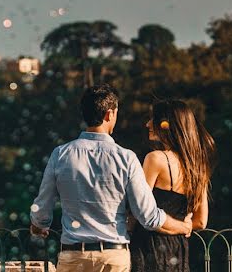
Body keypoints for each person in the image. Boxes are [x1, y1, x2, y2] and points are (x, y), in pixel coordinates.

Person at [30, 85, 192, 272]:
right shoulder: (126, 158)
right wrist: (182, 227)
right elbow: (148, 215)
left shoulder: (60, 154)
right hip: (113, 257)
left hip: (74, 256)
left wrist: (39, 225)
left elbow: (42, 206)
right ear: (109, 114)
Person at [129, 99, 215, 272]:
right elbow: (201, 221)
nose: (147, 124)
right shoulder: (198, 167)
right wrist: (182, 226)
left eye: (153, 119)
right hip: (178, 250)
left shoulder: (155, 159)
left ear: (166, 124)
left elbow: (138, 210)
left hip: (149, 248)